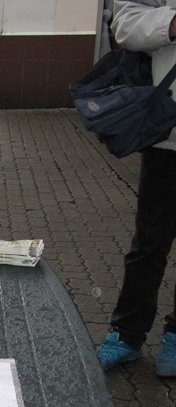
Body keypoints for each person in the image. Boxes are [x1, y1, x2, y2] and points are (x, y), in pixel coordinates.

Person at [95, 0, 176, 376]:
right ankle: (128, 334)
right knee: (149, 243)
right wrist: (172, 23)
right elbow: (125, 24)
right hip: (168, 134)